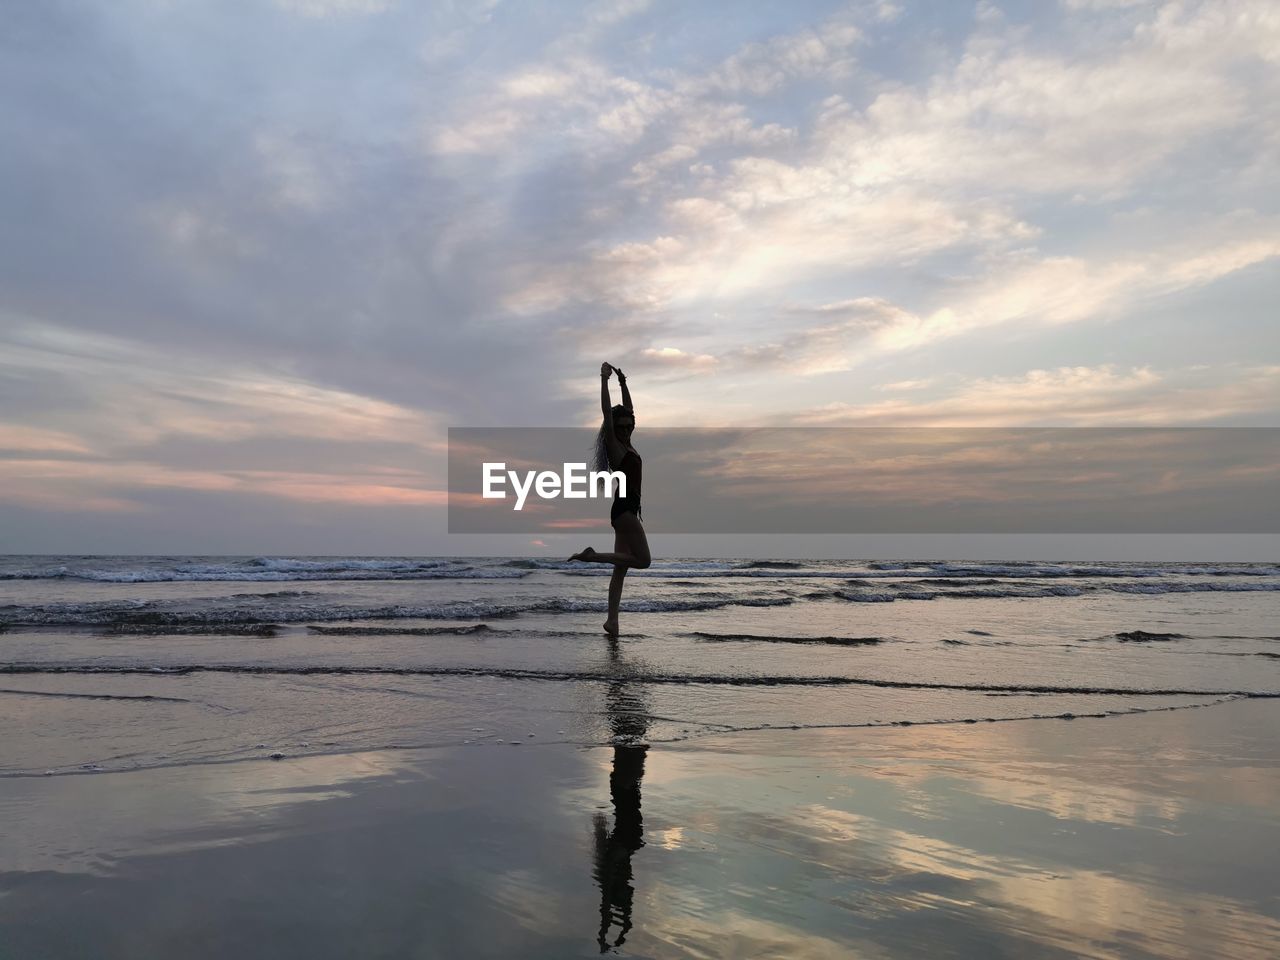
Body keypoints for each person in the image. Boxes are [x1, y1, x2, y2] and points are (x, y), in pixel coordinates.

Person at [568, 362, 651, 634]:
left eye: (629, 425)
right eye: (622, 425)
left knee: (620, 569)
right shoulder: (615, 446)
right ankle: (592, 557)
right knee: (643, 561)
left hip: (626, 510)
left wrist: (623, 383)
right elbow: (607, 412)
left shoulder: (628, 443)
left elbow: (630, 411)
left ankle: (612, 621)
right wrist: (603, 379)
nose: (627, 428)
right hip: (625, 511)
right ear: (614, 428)